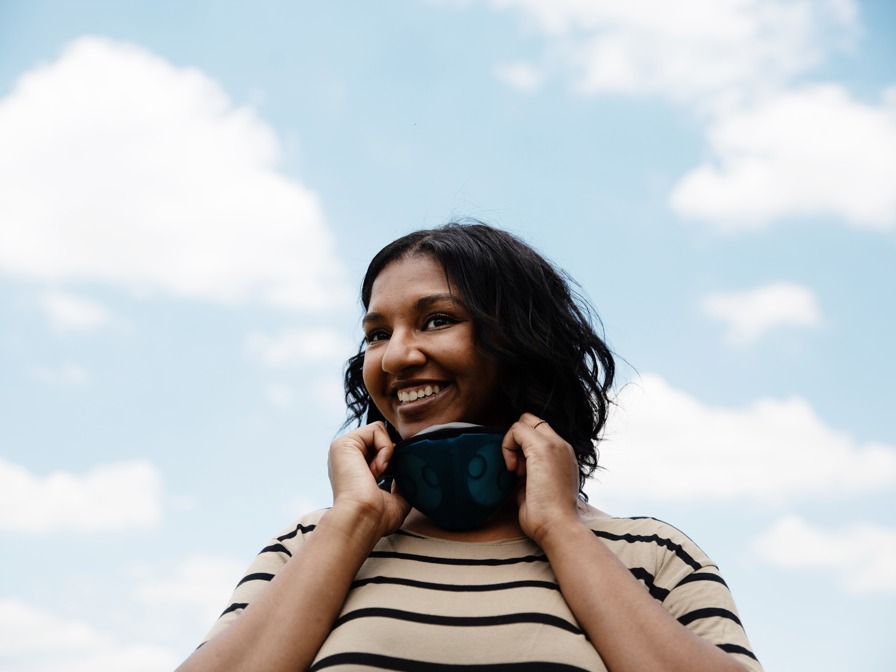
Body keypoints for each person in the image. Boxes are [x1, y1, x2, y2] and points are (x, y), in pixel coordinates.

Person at [176, 222, 763, 672]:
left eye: (436, 320)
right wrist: (351, 524)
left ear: (522, 343)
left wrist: (560, 528)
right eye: (378, 334)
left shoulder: (654, 555)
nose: (398, 355)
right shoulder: (309, 547)